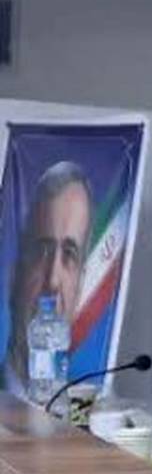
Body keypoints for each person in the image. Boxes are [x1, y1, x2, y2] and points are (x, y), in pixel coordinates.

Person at [3, 161, 92, 396]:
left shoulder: (83, 403)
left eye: (69, 254)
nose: (52, 281)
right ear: (14, 276)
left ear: (80, 288)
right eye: (42, 251)